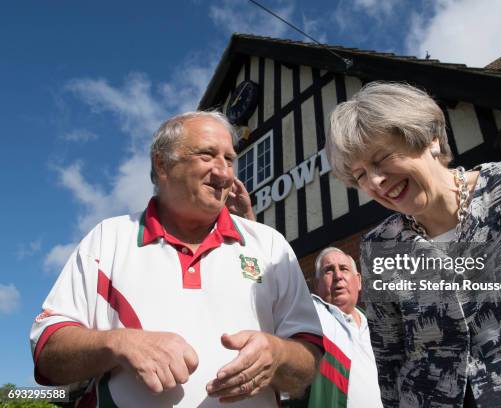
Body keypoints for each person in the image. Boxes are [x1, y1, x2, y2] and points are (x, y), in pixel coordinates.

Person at [326, 82, 501, 407]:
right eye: (360, 175)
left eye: (382, 158)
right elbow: (390, 363)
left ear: (430, 139)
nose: (374, 182)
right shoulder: (377, 246)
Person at [30, 111, 323, 407]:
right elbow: (47, 353)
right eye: (207, 156)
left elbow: (309, 360)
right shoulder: (108, 239)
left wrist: (279, 353)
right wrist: (117, 343)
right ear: (162, 164)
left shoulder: (270, 245)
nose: (224, 173)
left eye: (230, 159)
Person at [308, 247, 383, 408]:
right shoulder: (312, 315)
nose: (338, 276)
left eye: (344, 268)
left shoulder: (378, 328)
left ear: (359, 281)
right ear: (316, 285)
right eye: (328, 270)